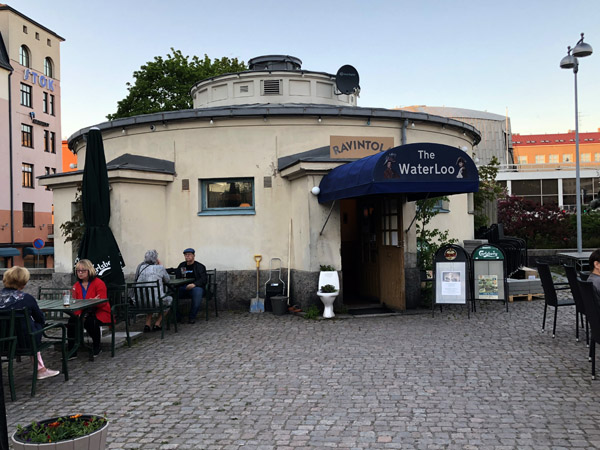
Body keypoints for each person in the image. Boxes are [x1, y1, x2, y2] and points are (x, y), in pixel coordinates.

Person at [0, 266, 60, 380]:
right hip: (25, 342)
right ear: (23, 283)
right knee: (32, 327)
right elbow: (40, 319)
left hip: (3, 341)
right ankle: (40, 370)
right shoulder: (26, 298)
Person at [67, 259, 111, 358]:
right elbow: (75, 303)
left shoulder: (99, 283)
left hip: (99, 310)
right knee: (72, 322)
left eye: (83, 270)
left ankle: (97, 346)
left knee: (91, 321)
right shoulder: (76, 286)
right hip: (82, 312)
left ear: (89, 270)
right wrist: (80, 314)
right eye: (78, 271)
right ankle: (72, 350)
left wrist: (93, 302)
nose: (80, 273)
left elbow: (102, 301)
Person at [134, 249, 172, 332]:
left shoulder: (140, 267)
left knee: (149, 297)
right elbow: (168, 280)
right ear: (156, 259)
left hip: (139, 301)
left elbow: (135, 279)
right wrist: (161, 265)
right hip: (155, 302)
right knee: (169, 299)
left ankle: (147, 324)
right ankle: (157, 324)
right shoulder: (159, 268)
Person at [175, 248, 207, 324]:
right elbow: (177, 276)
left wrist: (194, 284)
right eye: (186, 255)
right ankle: (177, 316)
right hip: (183, 287)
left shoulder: (200, 266)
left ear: (193, 256)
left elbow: (204, 279)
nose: (187, 256)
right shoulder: (182, 265)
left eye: (189, 255)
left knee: (198, 291)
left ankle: (192, 317)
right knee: (172, 293)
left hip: (195, 287)